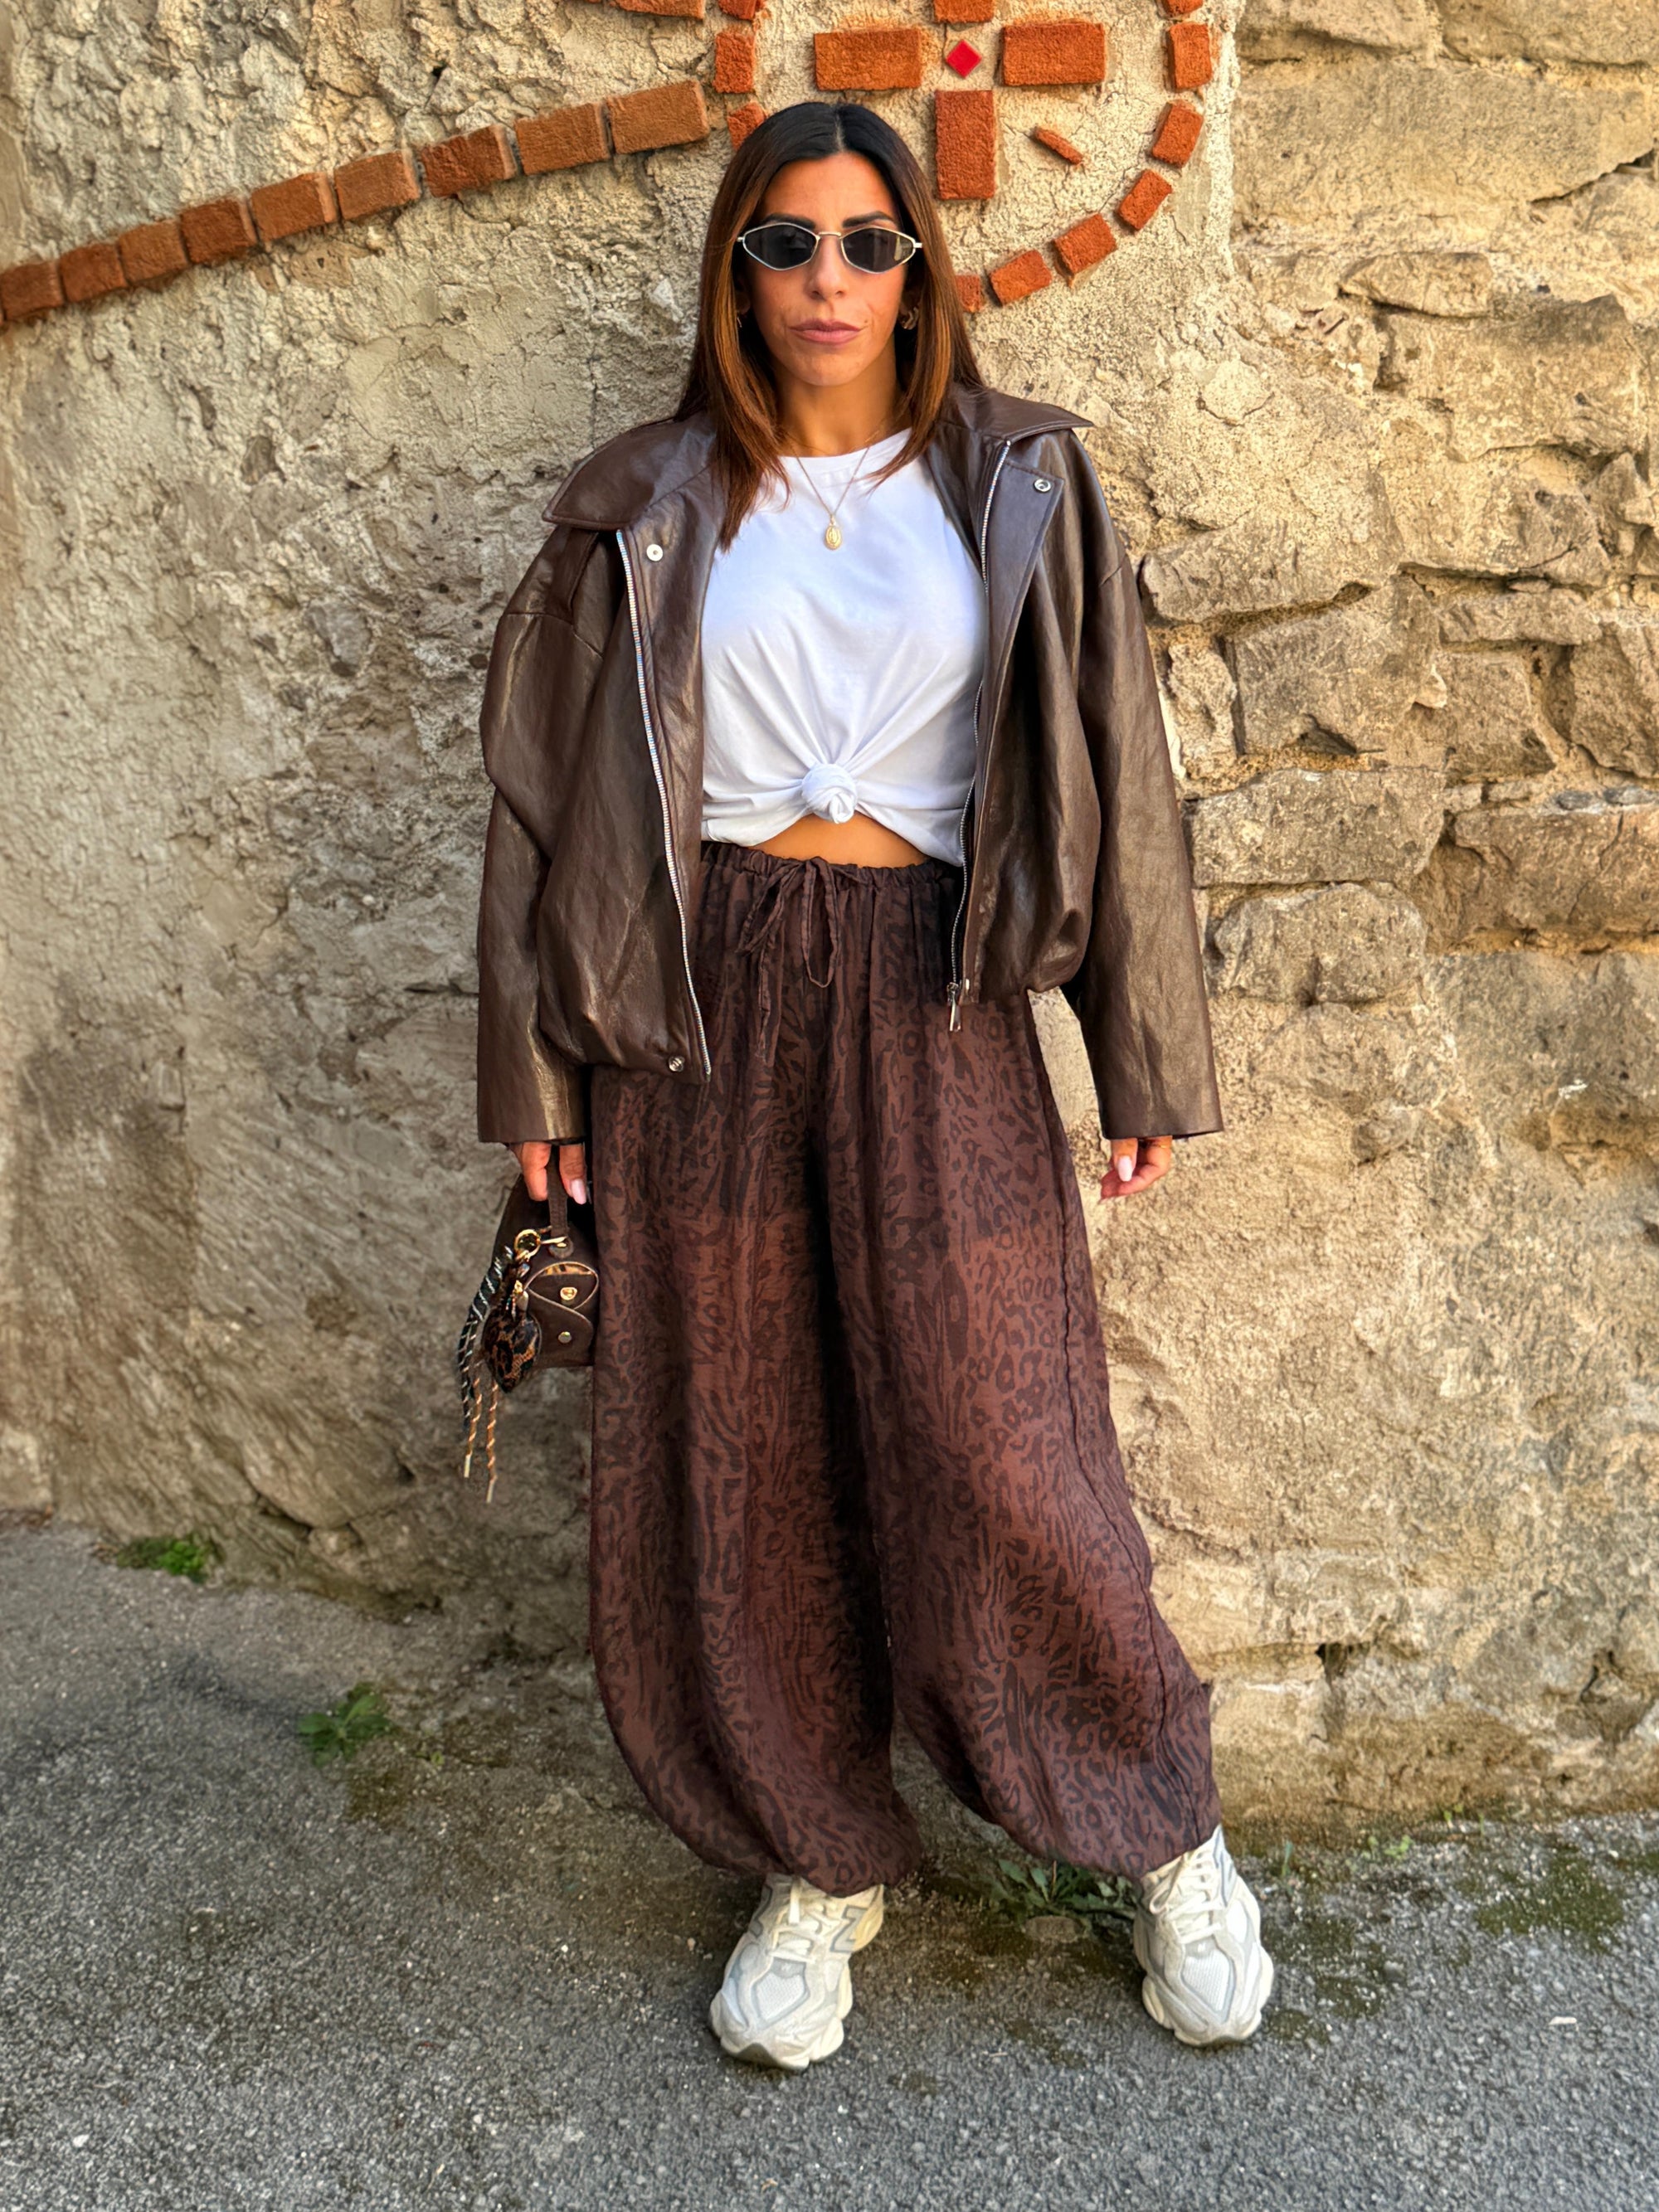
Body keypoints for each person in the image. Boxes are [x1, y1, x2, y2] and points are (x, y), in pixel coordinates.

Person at [474, 98, 1272, 2071]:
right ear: (735, 272)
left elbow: (1118, 767)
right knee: (739, 1447)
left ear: (917, 269)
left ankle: (1160, 1825)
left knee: (1004, 1440)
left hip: (938, 982)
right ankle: (815, 1854)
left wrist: (1139, 1046)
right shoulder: (639, 502)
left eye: (863, 241)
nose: (824, 278)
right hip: (703, 1001)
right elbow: (540, 816)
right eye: (784, 242)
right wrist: (537, 1080)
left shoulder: (1018, 479)